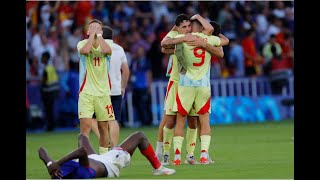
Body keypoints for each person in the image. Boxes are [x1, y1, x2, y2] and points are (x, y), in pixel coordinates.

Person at [158, 14, 226, 165]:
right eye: (184, 26)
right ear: (177, 27)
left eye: (189, 26)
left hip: (185, 84)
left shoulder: (188, 39)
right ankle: (165, 153)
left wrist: (199, 43)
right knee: (170, 120)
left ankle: (187, 155)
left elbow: (220, 52)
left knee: (192, 121)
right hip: (178, 82)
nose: (187, 29)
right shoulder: (182, 36)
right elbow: (164, 47)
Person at [38, 131, 176, 179]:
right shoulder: (83, 173)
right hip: (109, 164)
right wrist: (58, 163)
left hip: (94, 158)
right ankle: (158, 168)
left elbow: (41, 150)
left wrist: (51, 163)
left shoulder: (55, 171)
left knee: (82, 137)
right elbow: (82, 152)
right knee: (140, 136)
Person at [77, 19, 113, 155]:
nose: (95, 29)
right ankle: (83, 160)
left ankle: (104, 159)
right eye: (91, 27)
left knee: (103, 128)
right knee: (85, 128)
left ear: (102, 31)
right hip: (86, 92)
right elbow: (86, 51)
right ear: (87, 32)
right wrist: (92, 35)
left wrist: (99, 36)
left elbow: (107, 51)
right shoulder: (81, 43)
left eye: (98, 27)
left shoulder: (107, 44)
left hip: (103, 93)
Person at [40, 51, 60, 131]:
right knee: (50, 110)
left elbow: (44, 83)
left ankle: (49, 126)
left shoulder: (46, 69)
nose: (41, 59)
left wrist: (41, 88)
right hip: (54, 91)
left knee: (48, 110)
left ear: (46, 58)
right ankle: (51, 126)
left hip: (48, 93)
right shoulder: (51, 67)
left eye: (42, 57)